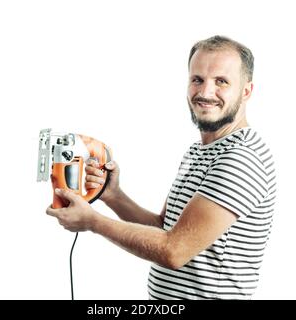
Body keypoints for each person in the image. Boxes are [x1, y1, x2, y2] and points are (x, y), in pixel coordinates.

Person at [46, 35, 277, 300]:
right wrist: (114, 196)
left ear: (246, 91)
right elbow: (163, 228)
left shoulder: (241, 158)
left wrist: (92, 222)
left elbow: (173, 250)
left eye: (221, 82)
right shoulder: (199, 152)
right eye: (197, 79)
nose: (205, 92)